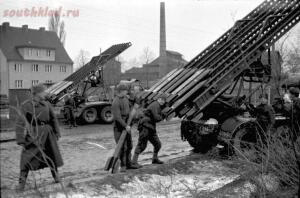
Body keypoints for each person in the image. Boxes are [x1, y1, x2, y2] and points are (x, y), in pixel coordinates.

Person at [15, 84, 64, 191]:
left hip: (48, 134)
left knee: (52, 156)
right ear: (37, 93)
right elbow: (20, 123)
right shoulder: (26, 106)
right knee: (26, 158)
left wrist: (57, 133)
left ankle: (56, 177)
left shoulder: (47, 104)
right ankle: (21, 183)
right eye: (44, 92)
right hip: (34, 135)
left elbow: (53, 119)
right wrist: (21, 140)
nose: (46, 94)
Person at [131, 94, 167, 167]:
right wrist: (163, 116)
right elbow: (157, 118)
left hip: (150, 127)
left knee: (157, 144)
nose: (163, 101)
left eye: (164, 100)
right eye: (161, 99)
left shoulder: (158, 106)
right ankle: (134, 162)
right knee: (142, 144)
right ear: (158, 99)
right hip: (145, 126)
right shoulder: (155, 105)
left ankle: (155, 158)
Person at [111, 84, 139, 172]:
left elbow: (131, 108)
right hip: (119, 127)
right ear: (121, 91)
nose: (127, 92)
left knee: (129, 145)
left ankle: (128, 164)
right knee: (122, 147)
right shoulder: (115, 102)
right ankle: (122, 166)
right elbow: (117, 117)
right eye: (125, 90)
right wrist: (125, 126)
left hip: (127, 124)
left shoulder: (125, 98)